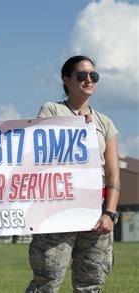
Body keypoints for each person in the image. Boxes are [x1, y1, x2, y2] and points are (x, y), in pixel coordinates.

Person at [26, 55, 120, 292]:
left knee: (91, 283)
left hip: (95, 212)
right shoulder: (51, 109)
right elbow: (42, 152)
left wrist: (109, 213)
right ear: (66, 80)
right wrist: (76, 127)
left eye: (93, 76)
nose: (89, 80)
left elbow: (113, 175)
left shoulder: (105, 123)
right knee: (46, 281)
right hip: (58, 209)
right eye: (81, 75)